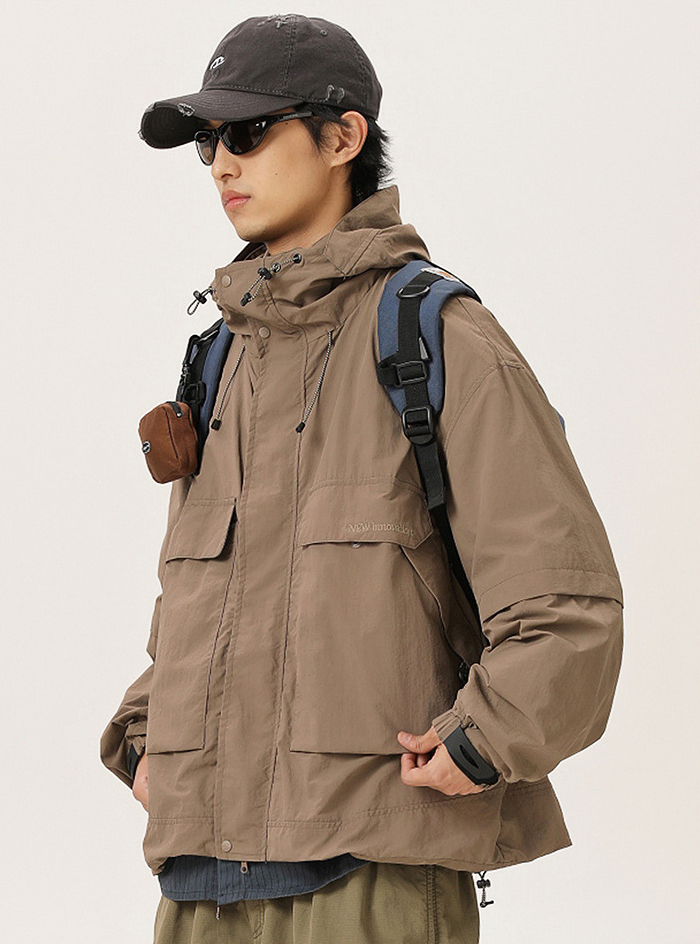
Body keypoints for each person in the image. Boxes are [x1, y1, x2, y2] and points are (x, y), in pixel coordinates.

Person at [99, 13, 624, 944]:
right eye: (210, 142)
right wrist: (145, 734)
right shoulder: (221, 358)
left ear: (343, 137)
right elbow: (204, 600)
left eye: (249, 131)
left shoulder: (436, 338)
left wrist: (481, 741)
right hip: (199, 876)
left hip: (370, 876)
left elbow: (567, 606)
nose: (222, 163)